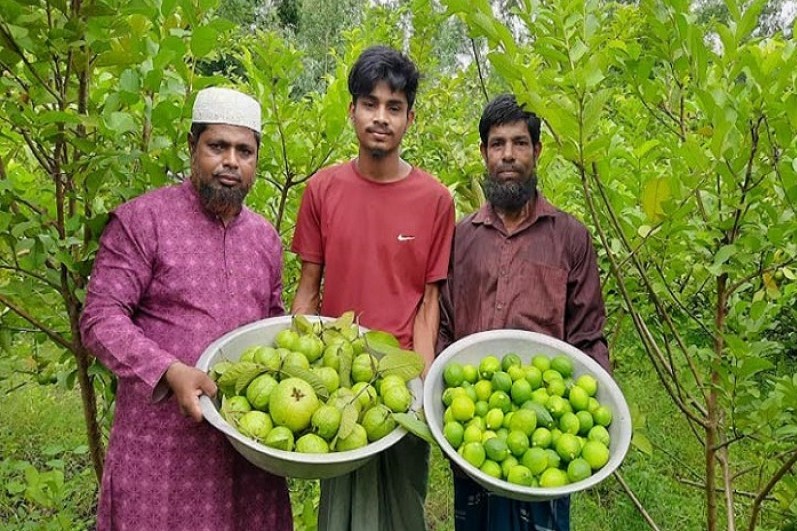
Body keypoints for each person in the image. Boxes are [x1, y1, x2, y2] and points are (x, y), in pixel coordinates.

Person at [80, 87, 292, 530]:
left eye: (244, 150)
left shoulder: (265, 239)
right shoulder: (143, 220)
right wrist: (169, 370)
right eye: (218, 146)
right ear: (192, 148)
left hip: (244, 437)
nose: (231, 161)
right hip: (162, 442)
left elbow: (273, 322)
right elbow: (100, 317)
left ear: (256, 160)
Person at [291, 45, 455, 530]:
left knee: (405, 503)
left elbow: (429, 305)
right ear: (352, 110)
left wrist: (423, 389)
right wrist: (298, 361)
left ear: (410, 118)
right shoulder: (322, 190)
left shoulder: (435, 200)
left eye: (394, 107)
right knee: (340, 508)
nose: (380, 117)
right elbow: (308, 287)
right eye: (370, 104)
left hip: (401, 378)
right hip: (338, 375)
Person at [438, 93, 612, 531]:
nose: (508, 155)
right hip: (472, 418)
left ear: (537, 151)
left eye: (519, 143)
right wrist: (437, 404)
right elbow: (443, 323)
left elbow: (588, 333)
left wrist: (597, 408)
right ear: (483, 153)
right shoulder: (461, 238)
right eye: (497, 144)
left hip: (550, 431)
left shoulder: (570, 237)